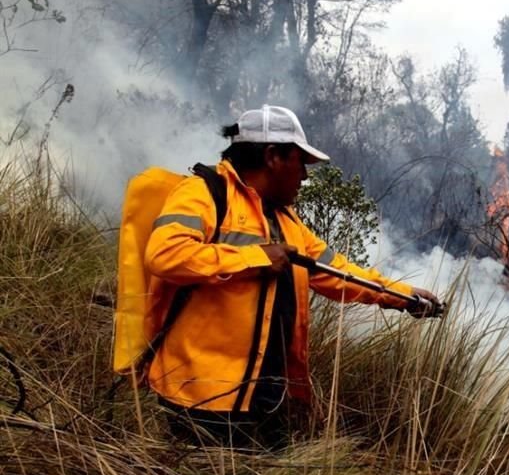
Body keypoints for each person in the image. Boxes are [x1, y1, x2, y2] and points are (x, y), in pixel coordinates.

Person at [144, 104, 442, 448]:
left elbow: (340, 272)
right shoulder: (205, 193)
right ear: (273, 156)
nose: (304, 176)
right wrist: (255, 258)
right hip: (199, 397)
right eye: (300, 162)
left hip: (265, 398)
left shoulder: (288, 222)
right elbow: (165, 255)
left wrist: (403, 296)